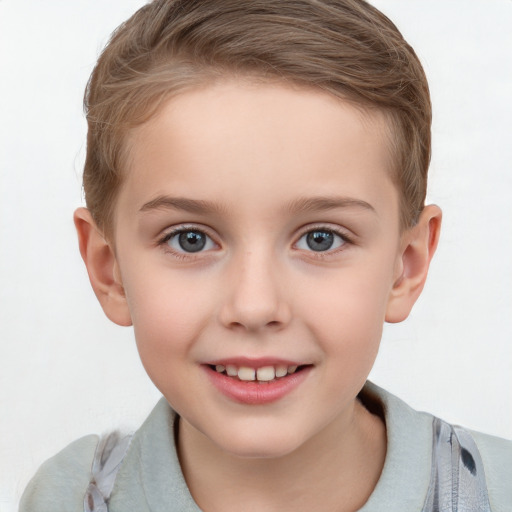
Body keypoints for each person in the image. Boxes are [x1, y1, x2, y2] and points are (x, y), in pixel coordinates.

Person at [19, 0, 511, 510]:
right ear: (109, 269)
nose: (254, 307)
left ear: (405, 266)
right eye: (190, 239)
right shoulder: (65, 498)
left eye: (322, 238)